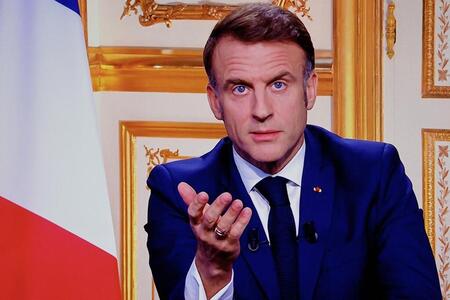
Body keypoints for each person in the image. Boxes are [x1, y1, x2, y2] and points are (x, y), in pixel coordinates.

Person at [145, 3, 441, 299]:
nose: (261, 111)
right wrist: (212, 273)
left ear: (309, 89)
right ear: (215, 102)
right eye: (240, 89)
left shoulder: (373, 175)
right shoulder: (180, 194)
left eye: (278, 84)